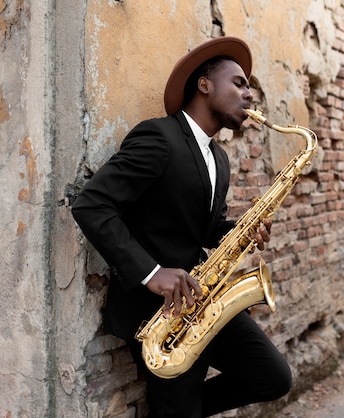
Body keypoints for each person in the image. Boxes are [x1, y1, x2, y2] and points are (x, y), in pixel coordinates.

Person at [72, 36, 292, 418]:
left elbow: (201, 231)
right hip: (161, 313)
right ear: (204, 84)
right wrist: (151, 273)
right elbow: (92, 204)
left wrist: (240, 231)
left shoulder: (219, 160)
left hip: (203, 299)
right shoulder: (159, 136)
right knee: (180, 405)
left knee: (273, 377)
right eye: (238, 83)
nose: (249, 95)